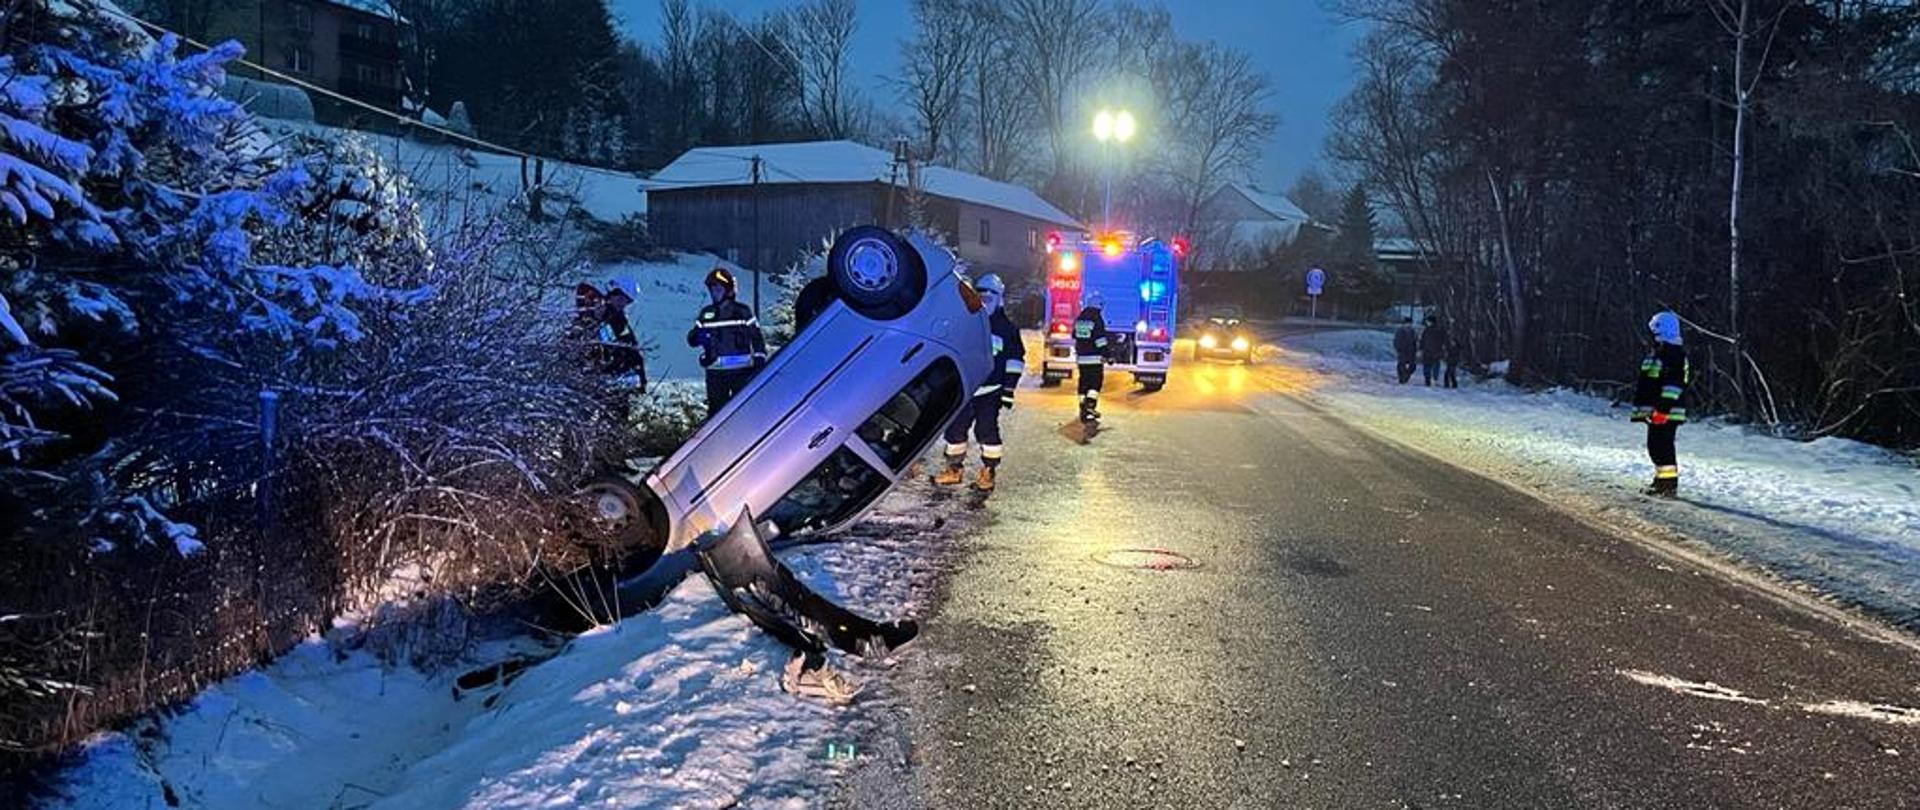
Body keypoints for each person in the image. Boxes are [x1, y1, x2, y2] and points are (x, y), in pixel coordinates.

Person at [933, 273, 1024, 492]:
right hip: (964, 390)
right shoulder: (964, 323)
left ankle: (989, 472)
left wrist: (1008, 389)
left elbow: (1015, 360)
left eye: (990, 295)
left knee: (987, 432)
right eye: (980, 294)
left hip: (990, 392)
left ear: (999, 297)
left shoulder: (1007, 330)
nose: (985, 299)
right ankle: (954, 470)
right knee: (954, 431)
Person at [685, 267, 767, 415]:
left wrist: (760, 360)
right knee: (716, 415)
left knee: (742, 413)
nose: (714, 294)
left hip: (742, 374)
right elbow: (692, 338)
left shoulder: (742, 311)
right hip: (716, 374)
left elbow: (757, 338)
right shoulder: (707, 313)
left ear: (728, 290)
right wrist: (697, 337)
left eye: (718, 289)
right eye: (712, 290)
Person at [1630, 310, 1691, 498]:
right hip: (1660, 410)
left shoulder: (1671, 354)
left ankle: (1667, 486)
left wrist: (1662, 409)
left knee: (1661, 446)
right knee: (1657, 446)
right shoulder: (1661, 352)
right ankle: (1662, 482)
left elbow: (1673, 385)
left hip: (1666, 411)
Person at [598, 279, 647, 394]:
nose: (622, 304)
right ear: (613, 295)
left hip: (618, 379)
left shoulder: (618, 319)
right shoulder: (609, 319)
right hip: (612, 379)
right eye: (620, 299)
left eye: (626, 302)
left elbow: (631, 348)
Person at [1073, 291, 1109, 426]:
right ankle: (1090, 405)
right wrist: (1106, 354)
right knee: (1095, 383)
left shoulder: (1081, 318)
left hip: (1082, 358)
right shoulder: (1097, 318)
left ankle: (1083, 407)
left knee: (1083, 383)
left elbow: (1074, 335)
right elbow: (1100, 339)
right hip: (1094, 358)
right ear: (1099, 305)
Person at [1419, 315, 1448, 387]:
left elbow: (1422, 340)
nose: (1427, 323)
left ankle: (1428, 379)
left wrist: (1421, 349)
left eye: (1428, 321)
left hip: (1428, 351)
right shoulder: (1440, 330)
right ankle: (1434, 378)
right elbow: (1444, 340)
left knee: (1427, 366)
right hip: (1436, 351)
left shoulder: (1427, 330)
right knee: (1435, 365)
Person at [1393, 317, 1418, 384]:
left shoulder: (1413, 331)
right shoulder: (1400, 330)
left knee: (1412, 366)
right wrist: (1399, 348)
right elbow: (1397, 341)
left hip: (1411, 351)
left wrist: (1415, 349)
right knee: (1401, 365)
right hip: (1402, 350)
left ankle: (1406, 376)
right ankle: (1402, 378)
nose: (1409, 325)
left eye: (1410, 323)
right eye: (1408, 323)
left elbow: (1415, 341)